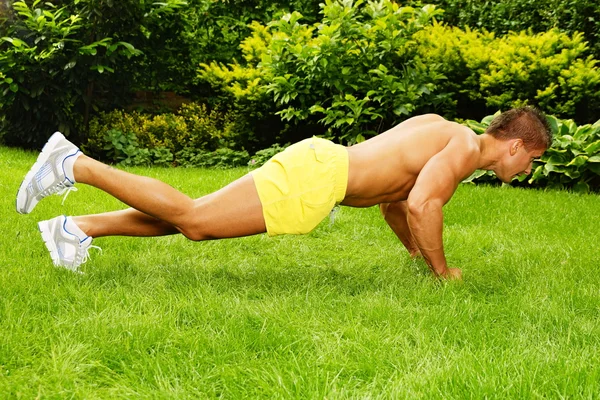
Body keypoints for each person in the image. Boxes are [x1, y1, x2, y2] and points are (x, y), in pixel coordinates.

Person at [16, 107, 552, 278]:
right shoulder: (460, 149)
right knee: (197, 219)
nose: (528, 170)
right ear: (516, 147)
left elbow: (395, 203)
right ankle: (74, 163)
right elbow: (422, 204)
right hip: (318, 179)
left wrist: (414, 253)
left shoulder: (444, 131)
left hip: (319, 166)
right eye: (533, 161)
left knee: (195, 219)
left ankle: (75, 230)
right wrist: (442, 270)